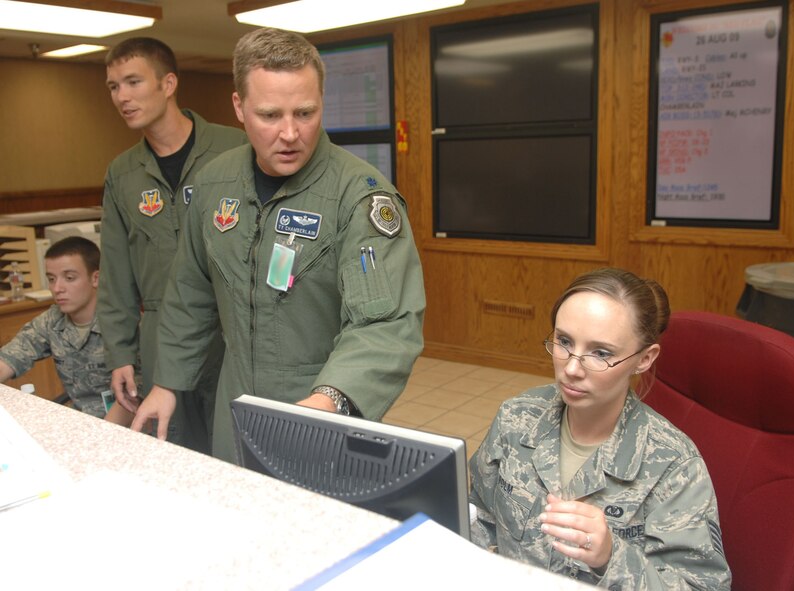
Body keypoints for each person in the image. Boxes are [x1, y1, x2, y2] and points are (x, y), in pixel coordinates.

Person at [131, 28, 426, 461]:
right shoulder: (215, 183)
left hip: (321, 408)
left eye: (305, 113)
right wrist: (167, 382)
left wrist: (330, 399)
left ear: (321, 103)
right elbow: (190, 294)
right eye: (270, 115)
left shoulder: (359, 197)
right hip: (236, 401)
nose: (290, 133)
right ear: (239, 108)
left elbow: (386, 325)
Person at [469, 268, 731, 589]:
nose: (572, 368)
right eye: (564, 341)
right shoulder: (516, 417)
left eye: (601, 353)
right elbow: (479, 515)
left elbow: (701, 585)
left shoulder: (673, 464)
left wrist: (611, 556)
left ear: (644, 359)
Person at [99, 37, 247, 453]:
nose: (122, 97)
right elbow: (115, 273)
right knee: (174, 452)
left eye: (132, 82)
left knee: (236, 451)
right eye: (113, 87)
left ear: (167, 84)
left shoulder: (234, 148)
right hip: (160, 337)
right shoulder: (123, 173)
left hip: (230, 332)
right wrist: (120, 353)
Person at [0, 237, 132, 426]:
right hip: (78, 421)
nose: (57, 288)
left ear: (96, 278)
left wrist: (99, 438)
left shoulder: (122, 321)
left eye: (69, 278)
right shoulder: (52, 320)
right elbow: (9, 358)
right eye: (51, 279)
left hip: (124, 428)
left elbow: (133, 398)